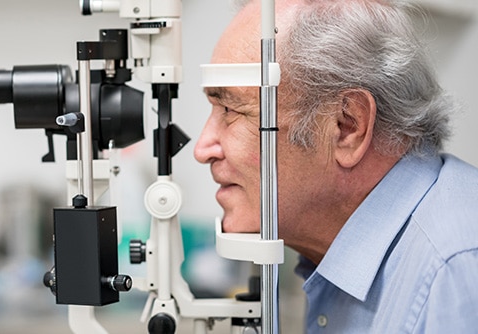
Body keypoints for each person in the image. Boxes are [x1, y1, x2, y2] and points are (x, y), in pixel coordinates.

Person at [194, 0, 478, 332]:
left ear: (347, 126)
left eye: (231, 110)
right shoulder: (332, 260)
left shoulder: (456, 272)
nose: (202, 149)